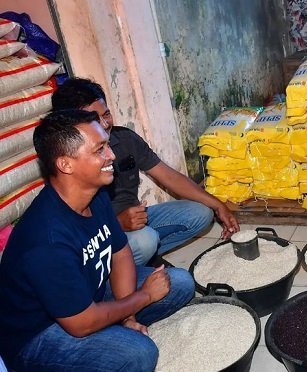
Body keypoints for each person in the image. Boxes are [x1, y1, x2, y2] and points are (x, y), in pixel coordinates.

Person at [0, 109, 195, 370]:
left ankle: (113, 327)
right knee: (138, 353)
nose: (111, 155)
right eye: (99, 149)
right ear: (65, 164)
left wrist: (129, 317)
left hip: (89, 294)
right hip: (40, 335)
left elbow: (121, 253)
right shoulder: (47, 240)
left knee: (180, 282)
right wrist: (144, 296)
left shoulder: (94, 193)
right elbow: (81, 323)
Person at [51, 79, 239, 266]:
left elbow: (168, 176)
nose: (104, 124)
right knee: (147, 243)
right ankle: (117, 271)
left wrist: (218, 205)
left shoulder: (125, 139)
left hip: (137, 221)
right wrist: (117, 224)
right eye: (92, 118)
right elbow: (77, 232)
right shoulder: (69, 163)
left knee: (200, 213)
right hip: (100, 239)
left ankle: (141, 258)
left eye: (106, 114)